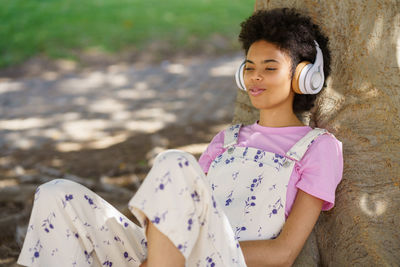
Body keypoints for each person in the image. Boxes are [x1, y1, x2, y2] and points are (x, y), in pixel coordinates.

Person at [17, 7, 343, 267]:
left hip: (225, 259)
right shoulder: (226, 139)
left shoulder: (318, 147)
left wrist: (192, 256)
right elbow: (178, 211)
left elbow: (283, 254)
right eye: (249, 66)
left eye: (270, 68)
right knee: (57, 194)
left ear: (304, 77)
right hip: (171, 254)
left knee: (174, 162)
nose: (255, 76)